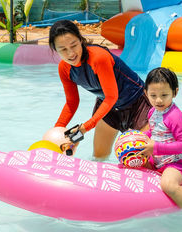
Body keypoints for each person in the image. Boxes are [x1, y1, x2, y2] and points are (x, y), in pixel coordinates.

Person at [48, 20, 151, 159]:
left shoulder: (98, 58)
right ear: (55, 49)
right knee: (99, 157)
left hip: (138, 105)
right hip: (109, 109)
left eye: (74, 45)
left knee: (143, 157)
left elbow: (111, 96)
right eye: (63, 49)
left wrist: (84, 128)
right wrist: (58, 130)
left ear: (81, 40)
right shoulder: (64, 68)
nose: (71, 53)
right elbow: (72, 103)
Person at [138, 67, 182, 227]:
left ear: (175, 92)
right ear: (146, 93)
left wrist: (156, 148)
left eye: (164, 95)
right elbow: (154, 132)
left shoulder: (174, 116)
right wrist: (139, 138)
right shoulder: (152, 111)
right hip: (158, 161)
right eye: (153, 96)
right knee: (131, 161)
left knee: (168, 185)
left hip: (176, 164)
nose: (159, 100)